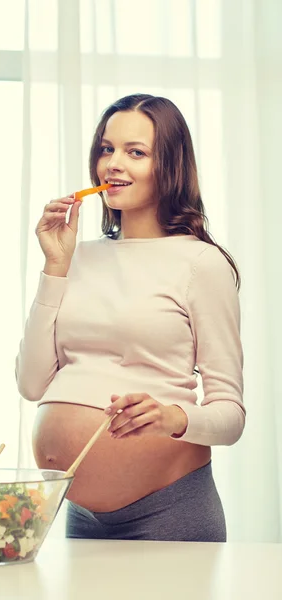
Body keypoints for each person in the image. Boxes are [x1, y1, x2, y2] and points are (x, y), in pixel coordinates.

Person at [15, 94, 245, 542]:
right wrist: (55, 267)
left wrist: (172, 417)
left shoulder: (201, 264)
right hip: (80, 515)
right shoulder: (76, 257)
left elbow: (230, 415)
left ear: (170, 166)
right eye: (106, 149)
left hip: (169, 511)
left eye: (135, 152)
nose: (112, 164)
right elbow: (30, 384)